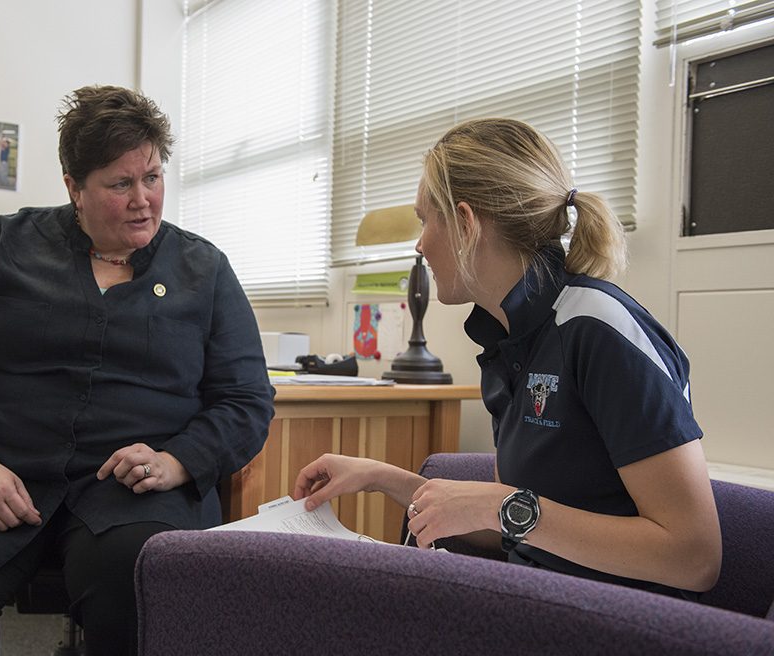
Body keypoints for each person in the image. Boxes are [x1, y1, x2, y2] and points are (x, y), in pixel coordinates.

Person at [0, 84, 274, 656]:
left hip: (132, 488)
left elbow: (246, 400)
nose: (143, 200)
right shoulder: (5, 246)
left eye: (152, 176)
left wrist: (177, 461)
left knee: (143, 577)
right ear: (74, 187)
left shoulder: (204, 269)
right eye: (120, 185)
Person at [294, 118, 721, 599]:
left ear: (464, 222)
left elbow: (694, 557)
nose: (419, 245)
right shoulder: (506, 341)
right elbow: (511, 525)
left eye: (424, 220)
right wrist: (379, 477)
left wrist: (504, 504)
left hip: (621, 625)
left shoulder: (598, 329)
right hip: (535, 600)